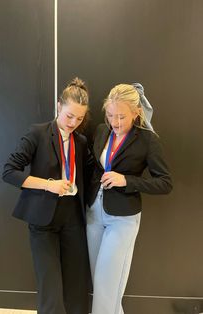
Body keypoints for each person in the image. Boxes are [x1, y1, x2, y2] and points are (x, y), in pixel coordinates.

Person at [2, 77, 91, 314]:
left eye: (80, 118)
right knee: (50, 288)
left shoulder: (81, 142)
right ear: (58, 106)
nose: (73, 123)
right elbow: (9, 172)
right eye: (69, 115)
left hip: (72, 219)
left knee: (76, 287)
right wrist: (48, 184)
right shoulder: (37, 133)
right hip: (43, 221)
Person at [86, 83, 173, 314]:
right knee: (101, 282)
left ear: (136, 112)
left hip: (122, 219)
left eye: (121, 117)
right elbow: (95, 167)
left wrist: (127, 181)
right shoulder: (102, 130)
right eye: (110, 115)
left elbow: (165, 183)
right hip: (94, 213)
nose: (115, 122)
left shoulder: (148, 140)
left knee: (107, 281)